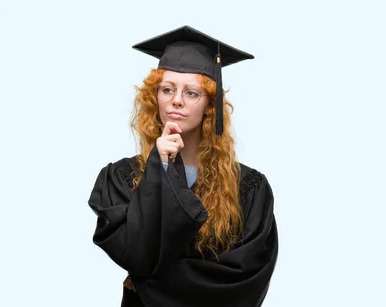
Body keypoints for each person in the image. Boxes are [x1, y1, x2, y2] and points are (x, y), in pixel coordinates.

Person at [87, 25, 278, 307]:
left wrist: (150, 282)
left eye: (191, 93)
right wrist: (159, 168)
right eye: (167, 89)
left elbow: (245, 275)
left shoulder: (248, 187)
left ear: (210, 106)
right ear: (155, 98)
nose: (176, 100)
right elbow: (135, 254)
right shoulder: (123, 177)